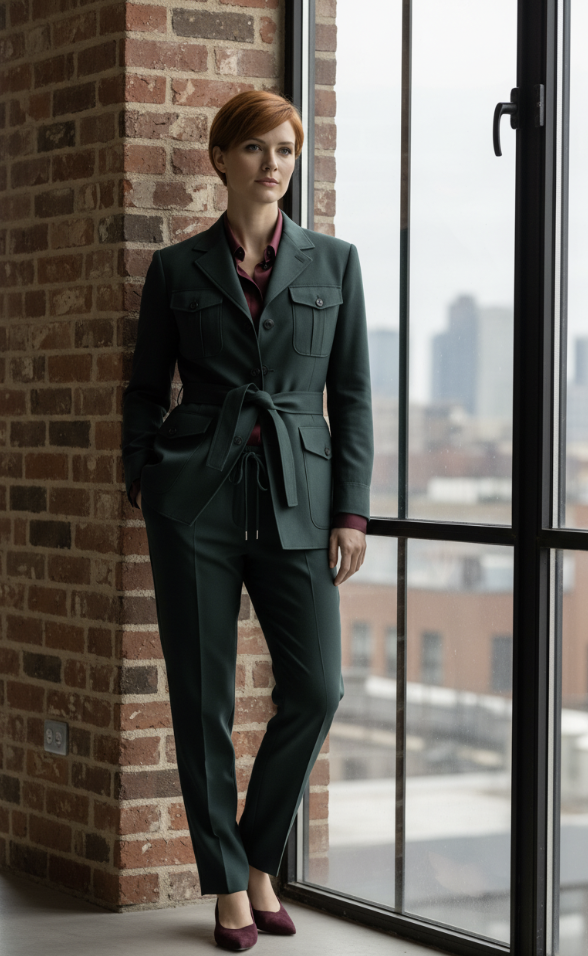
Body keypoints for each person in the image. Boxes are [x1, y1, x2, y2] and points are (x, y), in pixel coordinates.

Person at [122, 90, 373, 951]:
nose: (274, 164)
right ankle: (228, 883)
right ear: (220, 160)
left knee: (316, 688)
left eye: (287, 150)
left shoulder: (336, 265)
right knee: (203, 700)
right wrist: (142, 479)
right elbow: (146, 390)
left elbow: (353, 397)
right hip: (194, 499)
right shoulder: (176, 269)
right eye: (258, 149)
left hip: (300, 498)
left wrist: (351, 510)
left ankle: (258, 855)